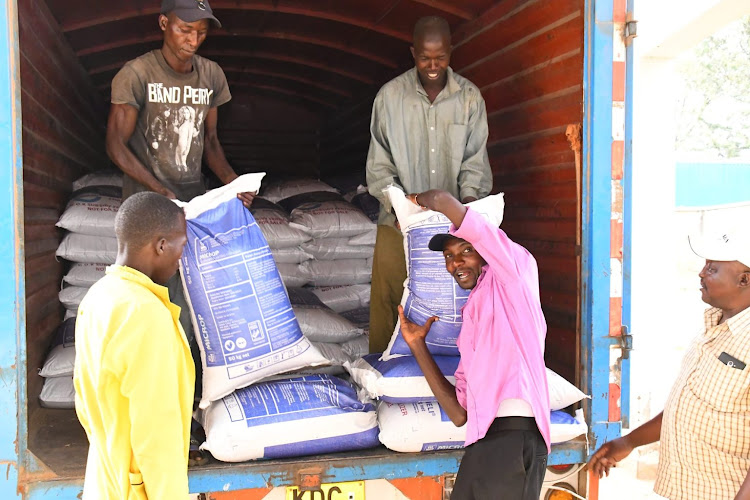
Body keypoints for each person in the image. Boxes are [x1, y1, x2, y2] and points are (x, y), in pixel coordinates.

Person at [105, 0, 254, 401]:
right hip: (146, 210)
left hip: (190, 210)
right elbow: (116, 145)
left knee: (192, 305)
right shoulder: (136, 74)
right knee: (150, 305)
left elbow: (211, 144)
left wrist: (231, 183)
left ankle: (189, 399)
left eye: (202, 32)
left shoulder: (211, 76)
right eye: (185, 29)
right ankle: (150, 399)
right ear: (163, 24)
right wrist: (156, 188)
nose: (193, 39)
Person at [397, 189, 550, 500]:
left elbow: (441, 200)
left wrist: (413, 201)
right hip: (484, 444)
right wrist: (417, 346)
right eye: (449, 256)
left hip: (514, 440)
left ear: (485, 252)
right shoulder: (472, 324)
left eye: (466, 250)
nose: (456, 263)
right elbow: (459, 415)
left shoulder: (514, 275)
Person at [588, 229, 750, 499]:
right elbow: (687, 406)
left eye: (712, 269)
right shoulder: (712, 328)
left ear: (744, 279)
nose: (701, 273)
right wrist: (628, 441)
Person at [365, 16, 493, 353]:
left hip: (453, 229)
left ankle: (453, 378)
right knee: (389, 301)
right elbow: (379, 165)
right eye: (424, 58)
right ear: (413, 53)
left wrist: (464, 212)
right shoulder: (390, 97)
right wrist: (399, 207)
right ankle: (382, 375)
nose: (432, 66)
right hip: (397, 224)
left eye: (440, 57)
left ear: (451, 52)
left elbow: (474, 162)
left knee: (456, 305)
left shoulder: (469, 98)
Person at [73, 192, 194, 499]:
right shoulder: (145, 314)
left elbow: (84, 401)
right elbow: (156, 435)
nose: (183, 252)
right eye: (181, 242)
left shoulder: (100, 296)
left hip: (105, 477)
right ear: (161, 245)